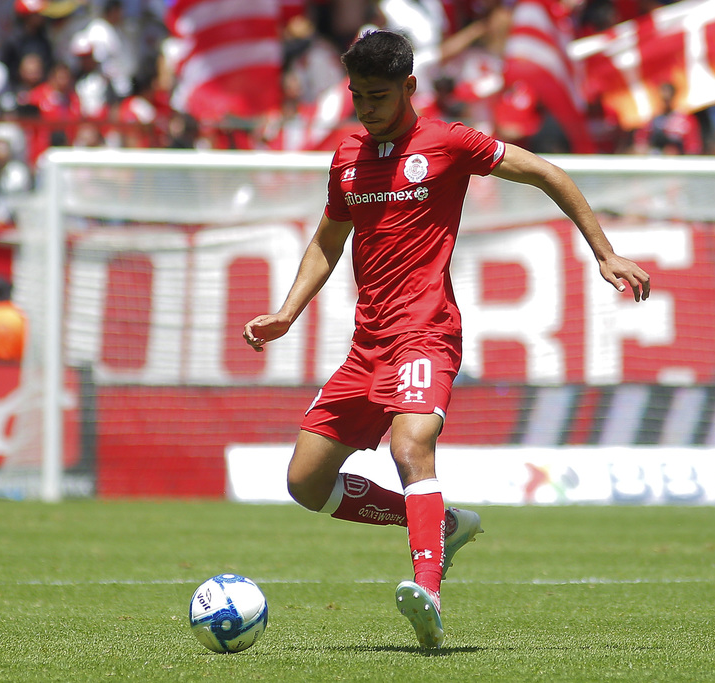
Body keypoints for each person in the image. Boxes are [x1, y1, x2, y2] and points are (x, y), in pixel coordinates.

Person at [242, 30, 651, 649]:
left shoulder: (448, 142)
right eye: (357, 96)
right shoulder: (347, 155)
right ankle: (443, 524)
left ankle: (427, 591)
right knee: (305, 483)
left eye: (378, 96)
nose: (366, 108)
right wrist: (286, 312)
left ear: (409, 87)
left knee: (410, 445)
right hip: (367, 344)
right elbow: (329, 238)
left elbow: (546, 172)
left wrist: (605, 251)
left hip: (427, 332)